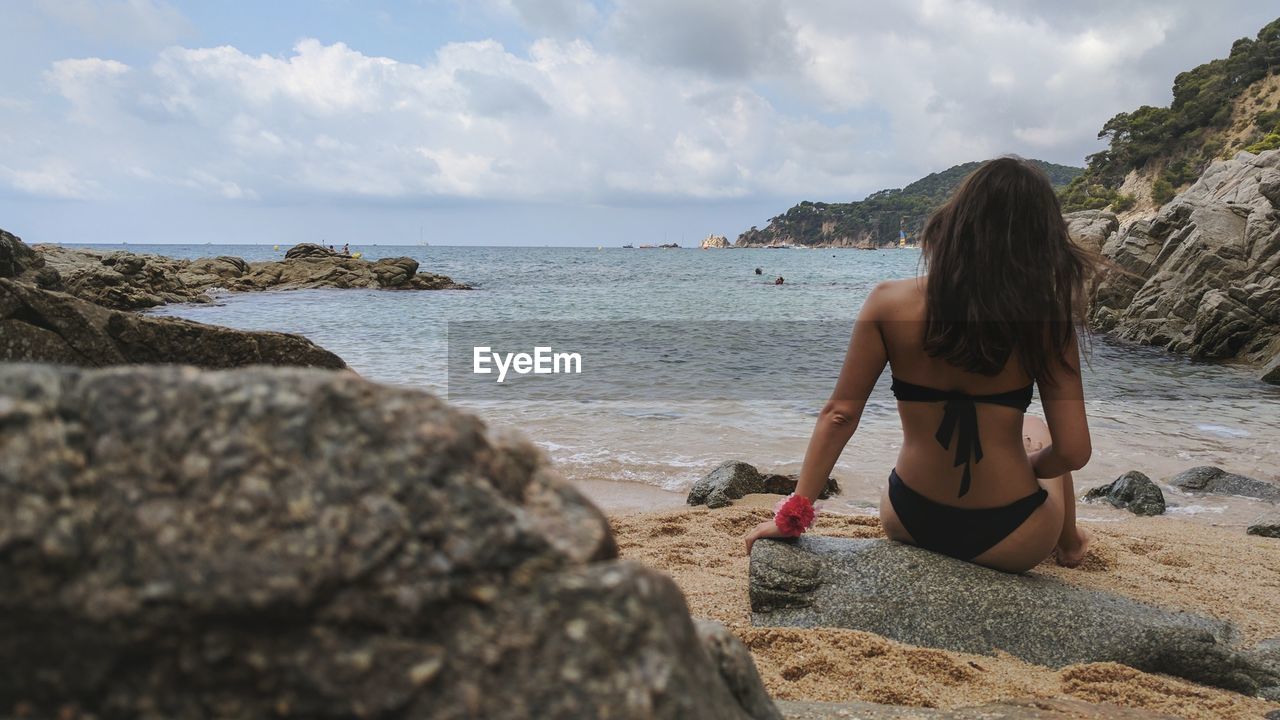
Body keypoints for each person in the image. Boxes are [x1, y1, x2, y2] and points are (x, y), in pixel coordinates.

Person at [743, 157, 1094, 573]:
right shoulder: (1046, 319)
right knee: (1035, 430)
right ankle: (1070, 545)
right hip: (1012, 538)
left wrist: (792, 518)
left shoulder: (888, 301)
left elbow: (839, 415)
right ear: (1042, 242)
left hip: (909, 520)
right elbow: (1074, 451)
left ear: (955, 224)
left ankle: (1064, 536)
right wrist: (1031, 463)